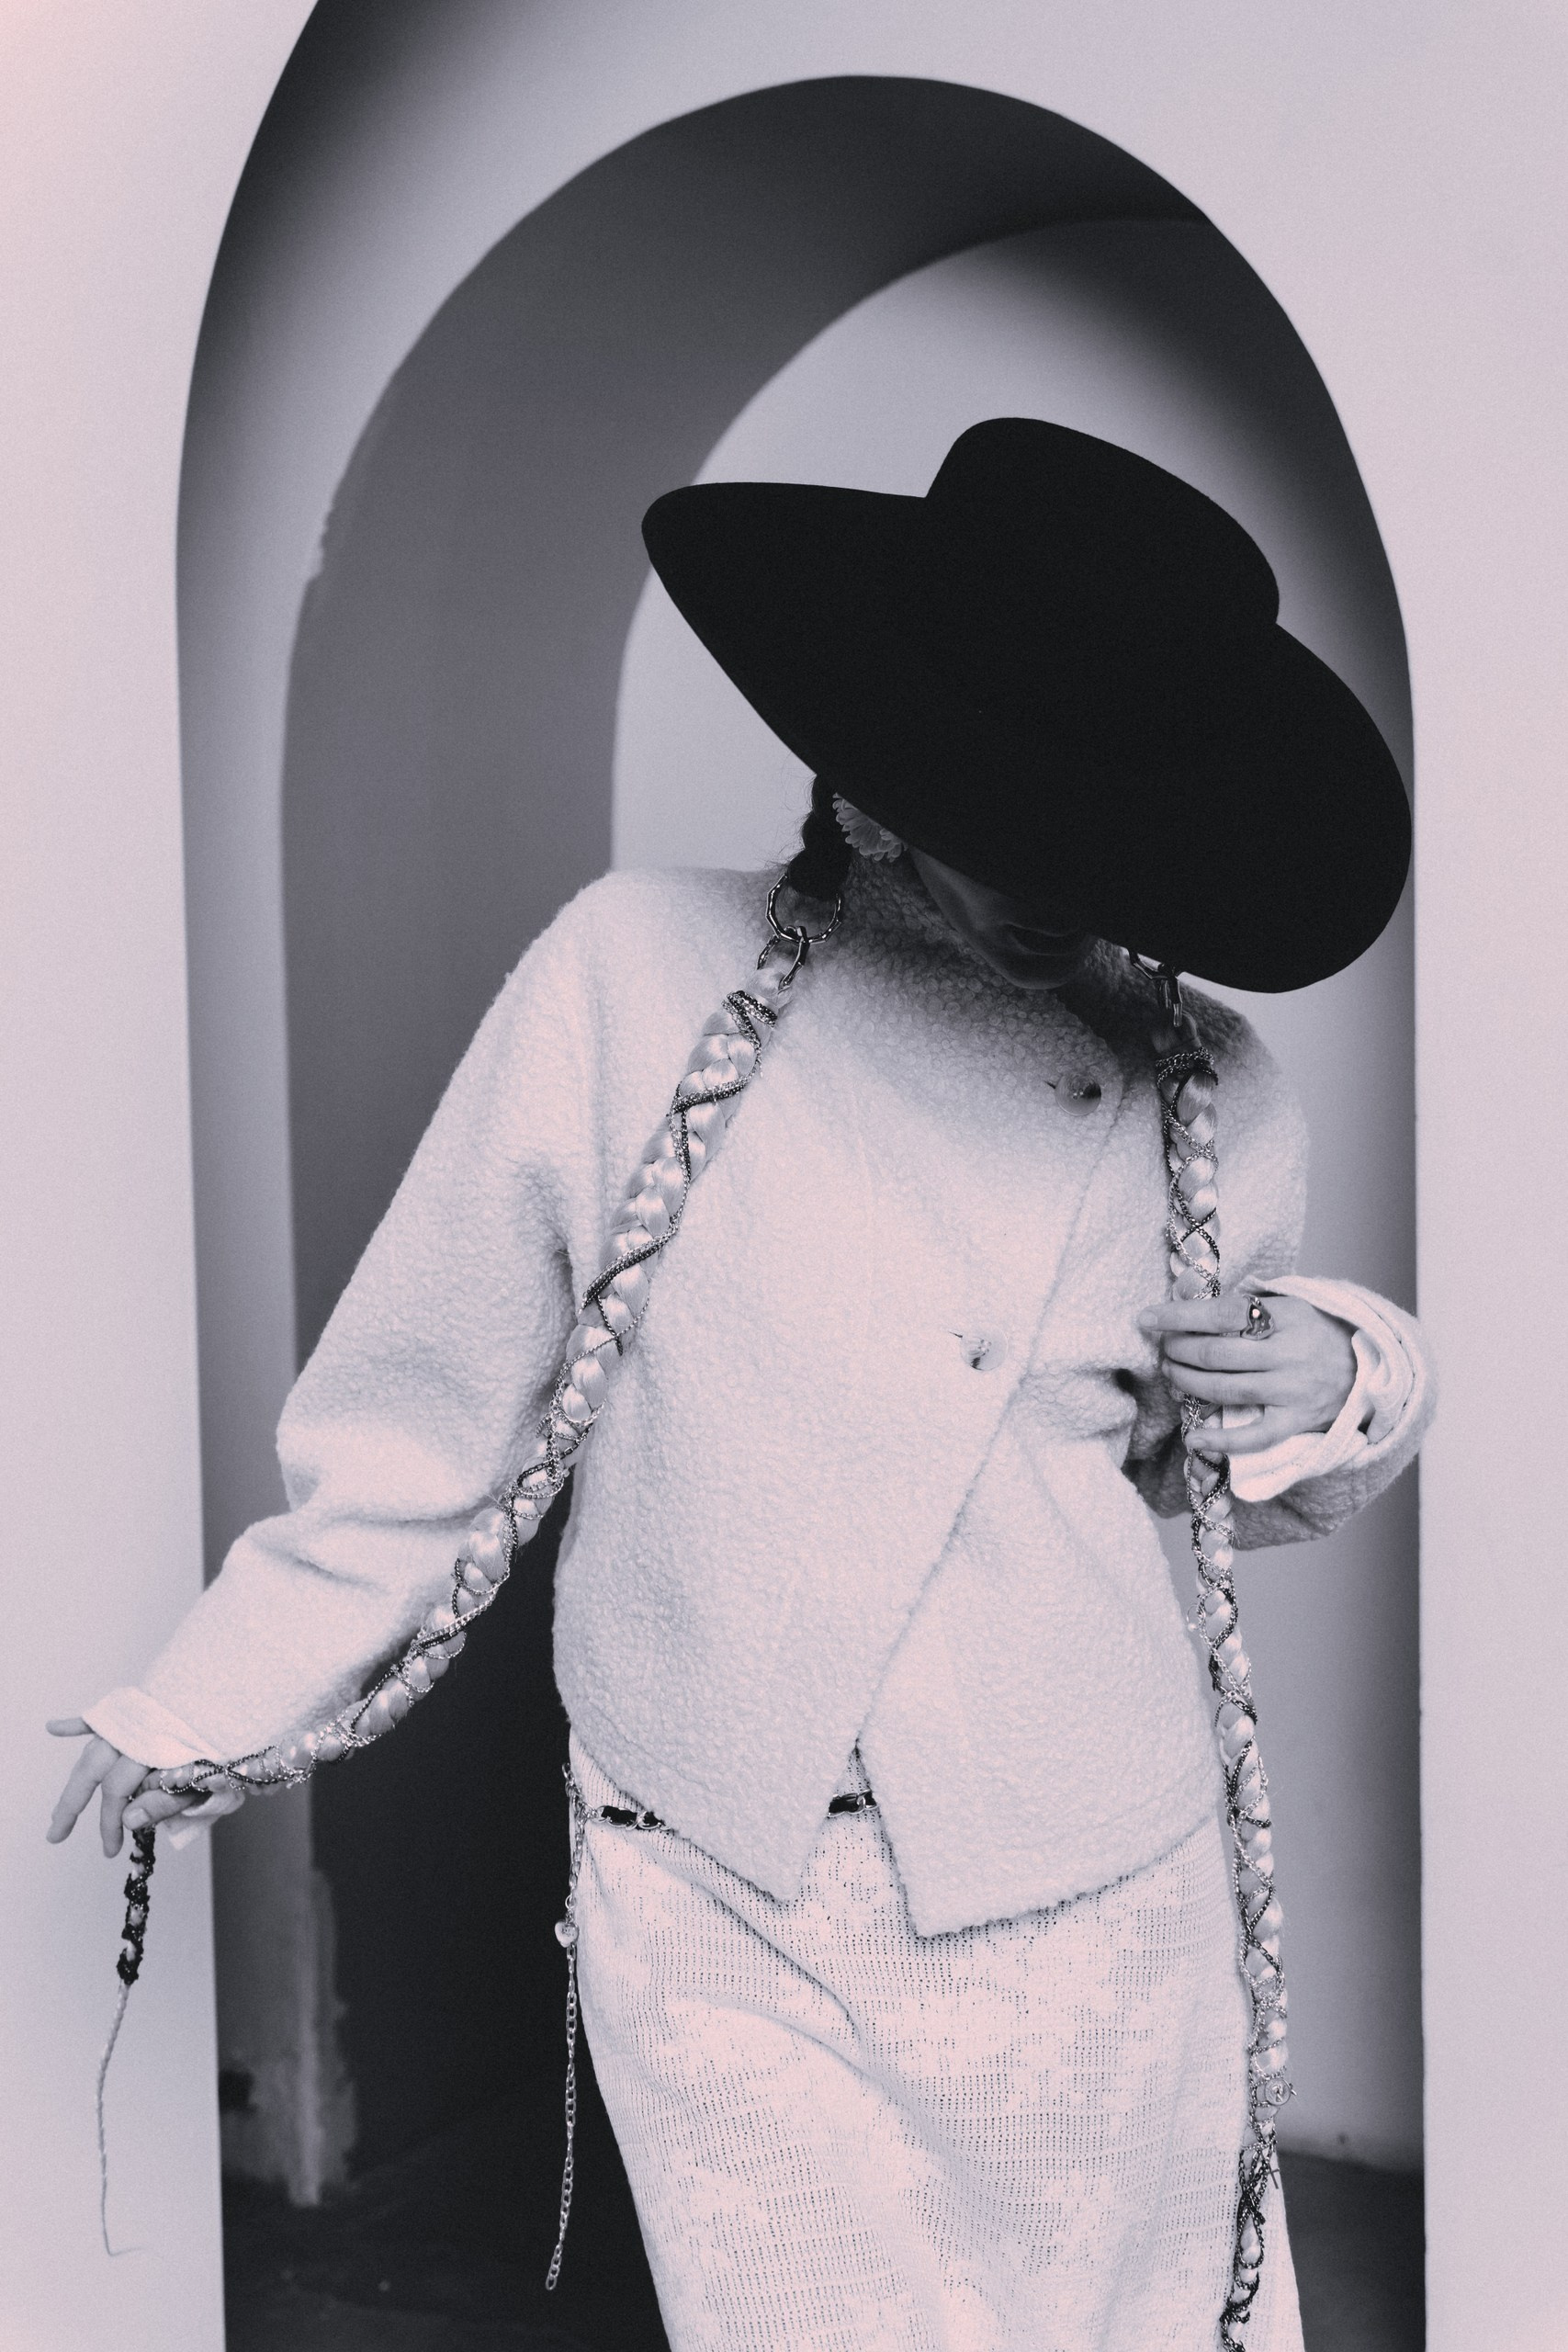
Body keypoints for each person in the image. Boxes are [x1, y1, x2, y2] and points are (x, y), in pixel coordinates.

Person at [49, 420, 1432, 2352]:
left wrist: (1343, 1374)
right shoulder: (628, 976)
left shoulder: (1211, 1087)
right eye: (1008, 810)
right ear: (883, 763)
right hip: (708, 1879)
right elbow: (425, 1416)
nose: (1054, 884)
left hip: (1094, 1884)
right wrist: (208, 1697)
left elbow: (1193, 1480)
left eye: (1100, 832)